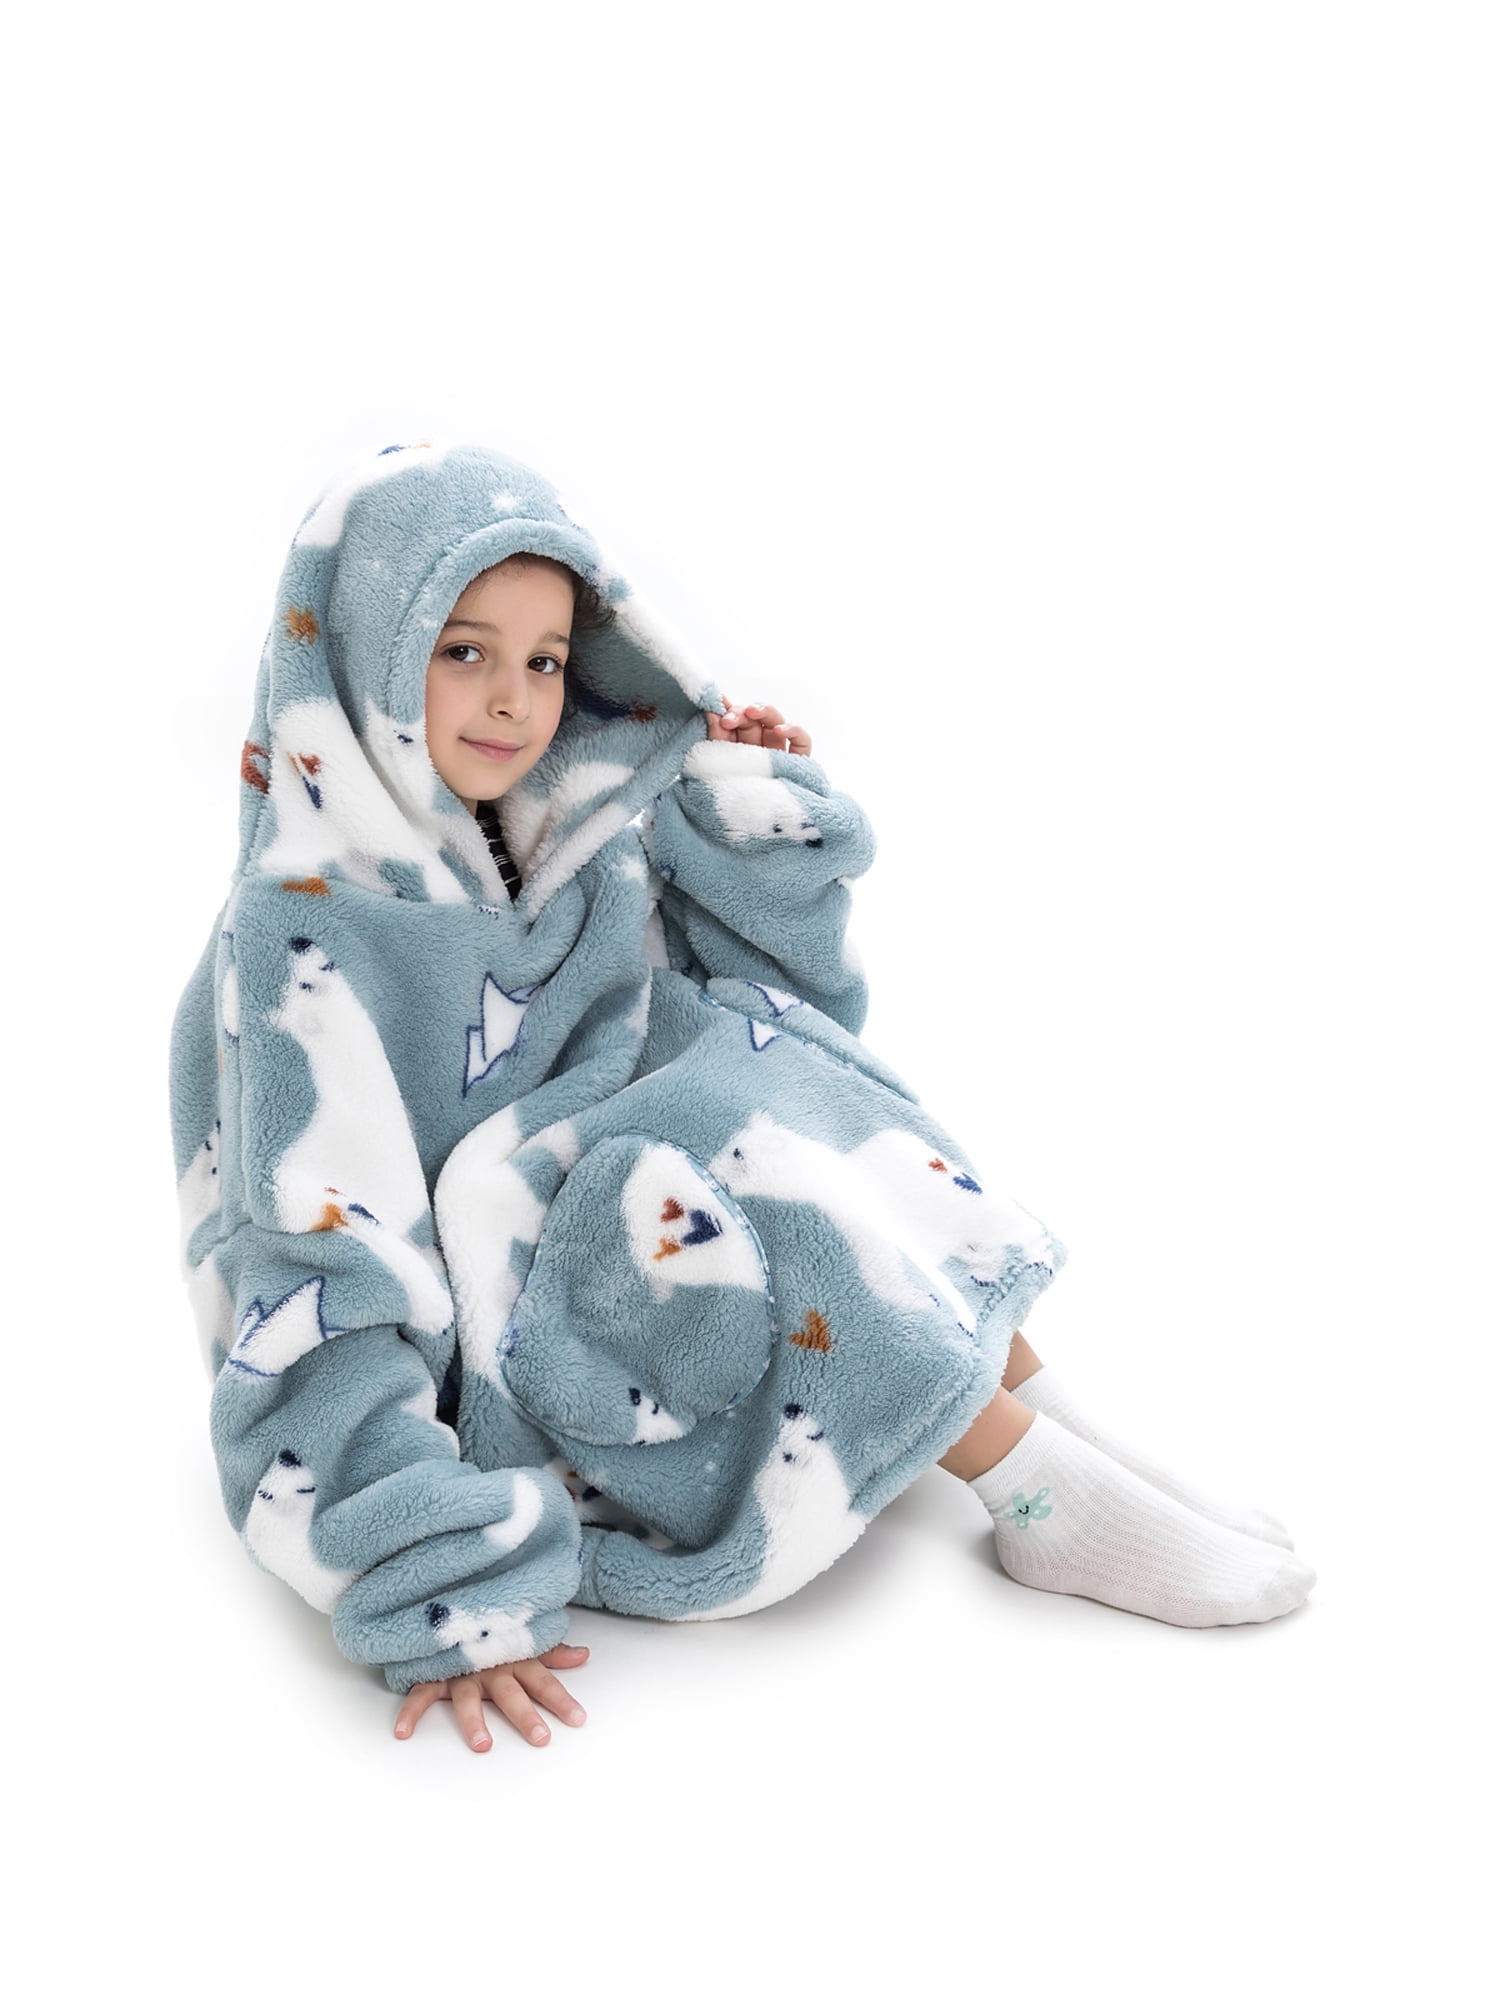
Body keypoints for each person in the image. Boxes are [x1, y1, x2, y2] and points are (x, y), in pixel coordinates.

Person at [169, 441, 1316, 1756]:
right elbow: (309, 1270)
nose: (513, 702)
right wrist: (433, 1576)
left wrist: (738, 832)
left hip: (603, 1214)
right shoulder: (300, 940)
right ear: (365, 650)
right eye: (463, 650)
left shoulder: (553, 837)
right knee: (737, 1140)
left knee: (764, 1076)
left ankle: (1043, 1424)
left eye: (546, 659)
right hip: (500, 1348)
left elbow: (782, 1012)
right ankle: (1034, 1486)